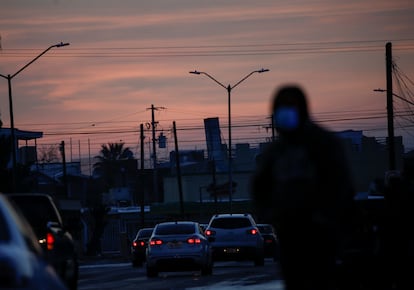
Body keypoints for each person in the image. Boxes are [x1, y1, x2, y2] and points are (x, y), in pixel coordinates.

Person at [251, 85, 356, 290]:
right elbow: (259, 186)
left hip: (320, 234)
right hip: (289, 233)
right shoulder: (276, 151)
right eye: (280, 108)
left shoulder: (324, 144)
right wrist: (271, 215)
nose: (285, 113)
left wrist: (326, 216)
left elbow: (342, 185)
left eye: (290, 107)